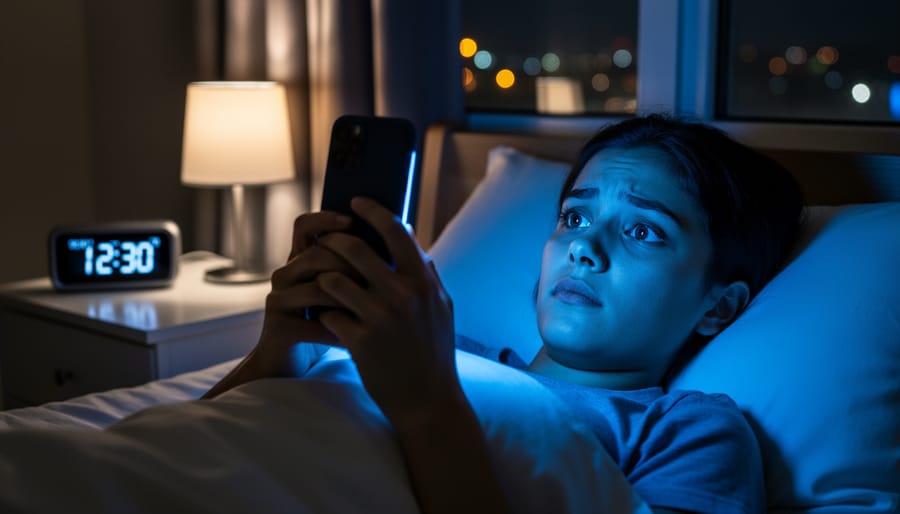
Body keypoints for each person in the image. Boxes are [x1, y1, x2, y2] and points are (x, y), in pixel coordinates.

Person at [204, 114, 805, 514]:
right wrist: (275, 352)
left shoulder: (685, 431)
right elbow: (205, 447)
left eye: (644, 230)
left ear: (718, 306)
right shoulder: (436, 347)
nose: (584, 247)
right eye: (574, 217)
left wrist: (425, 401)